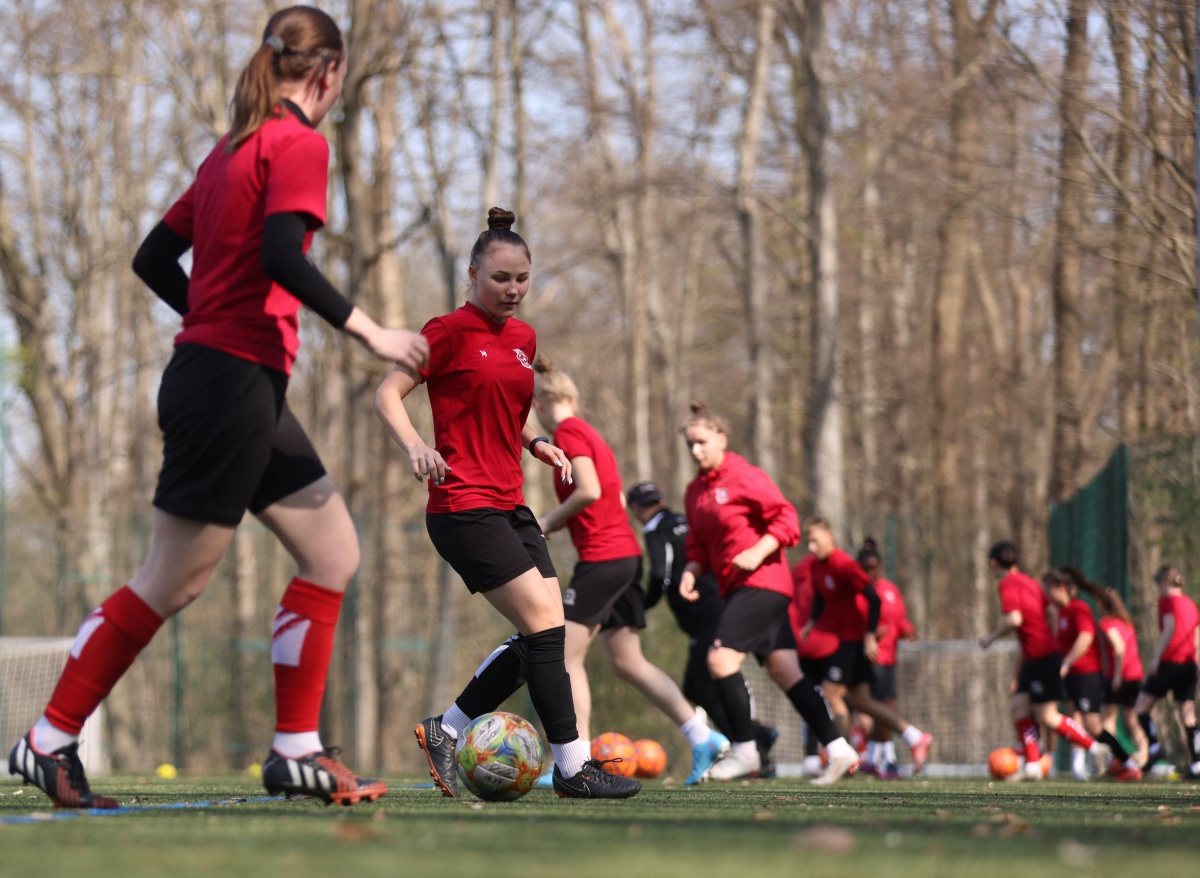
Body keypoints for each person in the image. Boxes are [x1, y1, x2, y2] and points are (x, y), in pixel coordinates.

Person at [5, 7, 430, 809]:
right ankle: (49, 738)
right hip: (227, 384)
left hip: (238, 382)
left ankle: (294, 750)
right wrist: (369, 329)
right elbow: (278, 253)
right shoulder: (298, 143)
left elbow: (152, 257)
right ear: (329, 73)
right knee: (169, 580)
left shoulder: (227, 153)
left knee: (332, 549)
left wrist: (208, 314)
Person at [373, 208, 639, 799]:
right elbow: (387, 392)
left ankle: (447, 727)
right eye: (500, 278)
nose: (513, 289)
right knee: (546, 627)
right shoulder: (445, 332)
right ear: (473, 275)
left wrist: (536, 441)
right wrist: (417, 445)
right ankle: (572, 768)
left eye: (521, 278)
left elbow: (501, 410)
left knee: (550, 634)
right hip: (462, 507)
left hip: (512, 504)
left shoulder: (524, 340)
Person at [532, 362, 730, 784]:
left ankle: (574, 760)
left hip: (604, 558)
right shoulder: (587, 433)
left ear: (545, 402)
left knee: (564, 657)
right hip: (620, 555)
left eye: (534, 403)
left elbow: (590, 490)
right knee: (627, 661)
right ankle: (702, 736)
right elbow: (613, 497)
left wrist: (545, 522)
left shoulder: (567, 433)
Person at [677, 403, 858, 785]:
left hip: (763, 583)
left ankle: (746, 751)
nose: (696, 450)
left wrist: (757, 552)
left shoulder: (744, 476)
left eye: (702, 442)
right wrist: (691, 572)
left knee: (720, 660)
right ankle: (839, 749)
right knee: (785, 670)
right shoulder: (694, 492)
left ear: (721, 439)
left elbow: (787, 519)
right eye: (690, 444)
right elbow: (697, 542)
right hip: (738, 588)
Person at [625, 479, 777, 778]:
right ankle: (755, 743)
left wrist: (641, 606)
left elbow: (659, 573)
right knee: (704, 684)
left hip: (704, 612)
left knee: (699, 685)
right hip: (720, 604)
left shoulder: (656, 529)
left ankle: (751, 741)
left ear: (635, 509)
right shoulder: (684, 521)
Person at [799, 520, 933, 774]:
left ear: (830, 536)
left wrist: (870, 636)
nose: (811, 546)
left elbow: (873, 598)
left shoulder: (844, 564)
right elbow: (819, 597)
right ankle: (915, 737)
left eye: (815, 540)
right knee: (862, 702)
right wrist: (811, 622)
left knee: (830, 693)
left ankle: (842, 754)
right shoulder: (817, 567)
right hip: (846, 640)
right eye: (808, 542)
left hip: (853, 640)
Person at [979, 542, 1107, 780]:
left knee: (1047, 715)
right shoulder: (1029, 582)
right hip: (1037, 656)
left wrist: (990, 637)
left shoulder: (1007, 583)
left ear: (993, 563)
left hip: (1042, 657)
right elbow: (1051, 613)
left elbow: (1014, 618)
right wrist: (1047, 637)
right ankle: (1033, 765)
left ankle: (1095, 748)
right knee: (1019, 705)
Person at [1044, 569, 1136, 780]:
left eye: (1049, 587)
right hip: (1070, 675)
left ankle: (1128, 761)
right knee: (1073, 721)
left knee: (1094, 726)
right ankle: (1079, 767)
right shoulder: (1062, 612)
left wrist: (1067, 662)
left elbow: (1085, 637)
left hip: (1087, 675)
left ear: (1062, 588)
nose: (1047, 592)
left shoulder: (1079, 609)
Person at [855, 539, 917, 779]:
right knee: (879, 709)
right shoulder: (858, 593)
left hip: (890, 657)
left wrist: (907, 629)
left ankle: (876, 759)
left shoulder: (890, 589)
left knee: (886, 707)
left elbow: (898, 617)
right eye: (867, 567)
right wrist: (869, 633)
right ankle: (885, 759)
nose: (872, 572)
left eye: (875, 567)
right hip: (871, 657)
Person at [1133, 565, 1199, 777]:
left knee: (1141, 708)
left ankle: (1154, 747)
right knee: (1188, 716)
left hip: (1170, 662)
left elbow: (1170, 628)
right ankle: (1197, 762)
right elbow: (1196, 634)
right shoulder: (1190, 604)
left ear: (1163, 583)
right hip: (1189, 664)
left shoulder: (1167, 601)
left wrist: (1156, 658)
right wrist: (1195, 659)